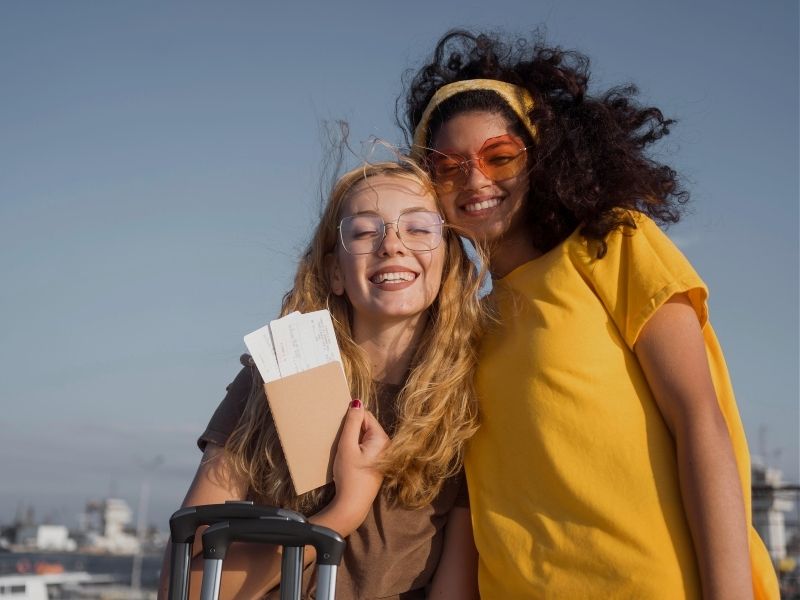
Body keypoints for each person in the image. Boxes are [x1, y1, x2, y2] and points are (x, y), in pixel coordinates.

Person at [400, 29, 780, 600]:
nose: (475, 180)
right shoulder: (462, 328)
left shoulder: (610, 245)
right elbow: (471, 516)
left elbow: (699, 418)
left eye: (499, 156)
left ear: (542, 157)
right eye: (448, 167)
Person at [157, 160, 484, 599]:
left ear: (447, 260)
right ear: (334, 271)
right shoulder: (276, 377)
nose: (392, 244)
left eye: (420, 228)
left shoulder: (463, 399)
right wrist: (342, 513)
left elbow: (455, 584)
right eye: (365, 232)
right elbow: (181, 589)